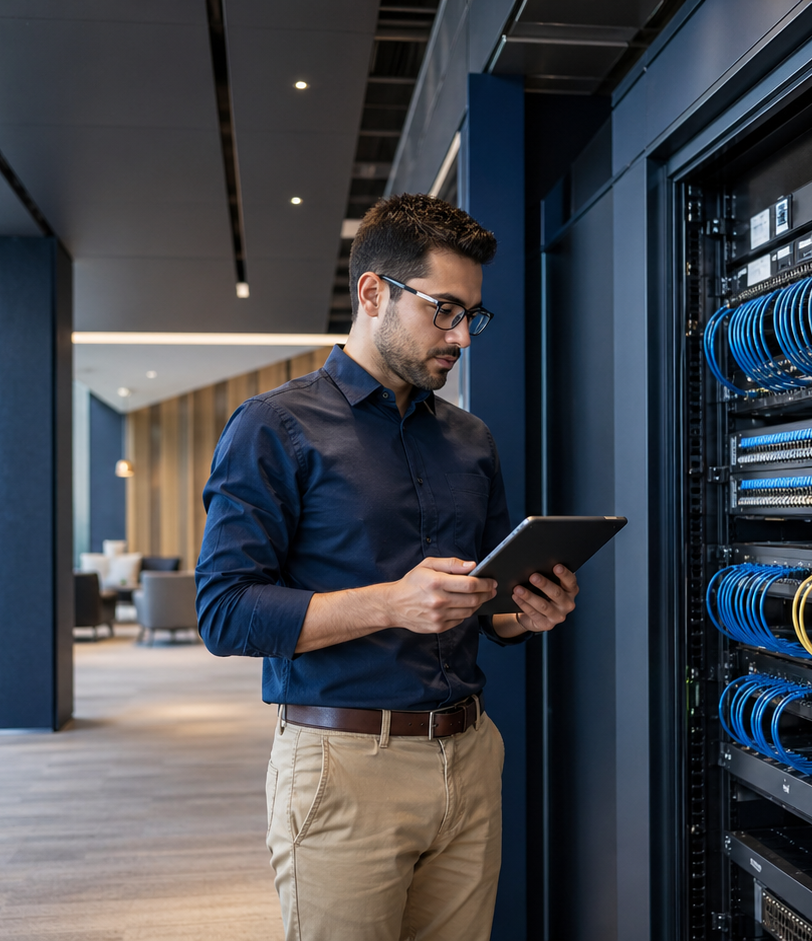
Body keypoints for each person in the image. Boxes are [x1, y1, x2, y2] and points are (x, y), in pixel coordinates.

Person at [196, 193, 581, 941]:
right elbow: (225, 611)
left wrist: (522, 612)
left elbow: (489, 598)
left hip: (468, 758)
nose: (463, 335)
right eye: (444, 309)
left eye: (472, 314)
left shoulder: (471, 439)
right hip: (343, 766)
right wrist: (389, 604)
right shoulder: (275, 427)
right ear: (374, 293)